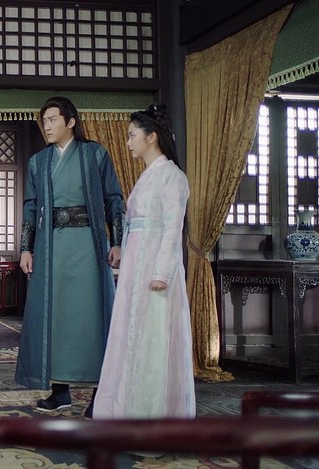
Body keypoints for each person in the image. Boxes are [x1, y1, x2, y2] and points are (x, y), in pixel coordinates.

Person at [15, 96, 125, 417]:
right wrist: (26, 248)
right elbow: (30, 207)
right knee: (55, 316)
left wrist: (118, 242)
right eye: (44, 121)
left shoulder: (96, 154)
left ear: (71, 121)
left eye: (53, 120)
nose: (47, 126)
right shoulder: (39, 162)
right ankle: (59, 391)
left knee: (92, 315)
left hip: (89, 245)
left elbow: (114, 200)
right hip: (51, 247)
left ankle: (99, 395)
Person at [93, 104, 195, 419]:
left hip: (155, 270)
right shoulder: (147, 177)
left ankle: (151, 411)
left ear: (151, 137)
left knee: (154, 337)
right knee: (130, 332)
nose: (128, 142)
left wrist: (161, 272)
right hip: (136, 267)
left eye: (132, 135)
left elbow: (172, 229)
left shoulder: (172, 177)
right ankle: (124, 405)